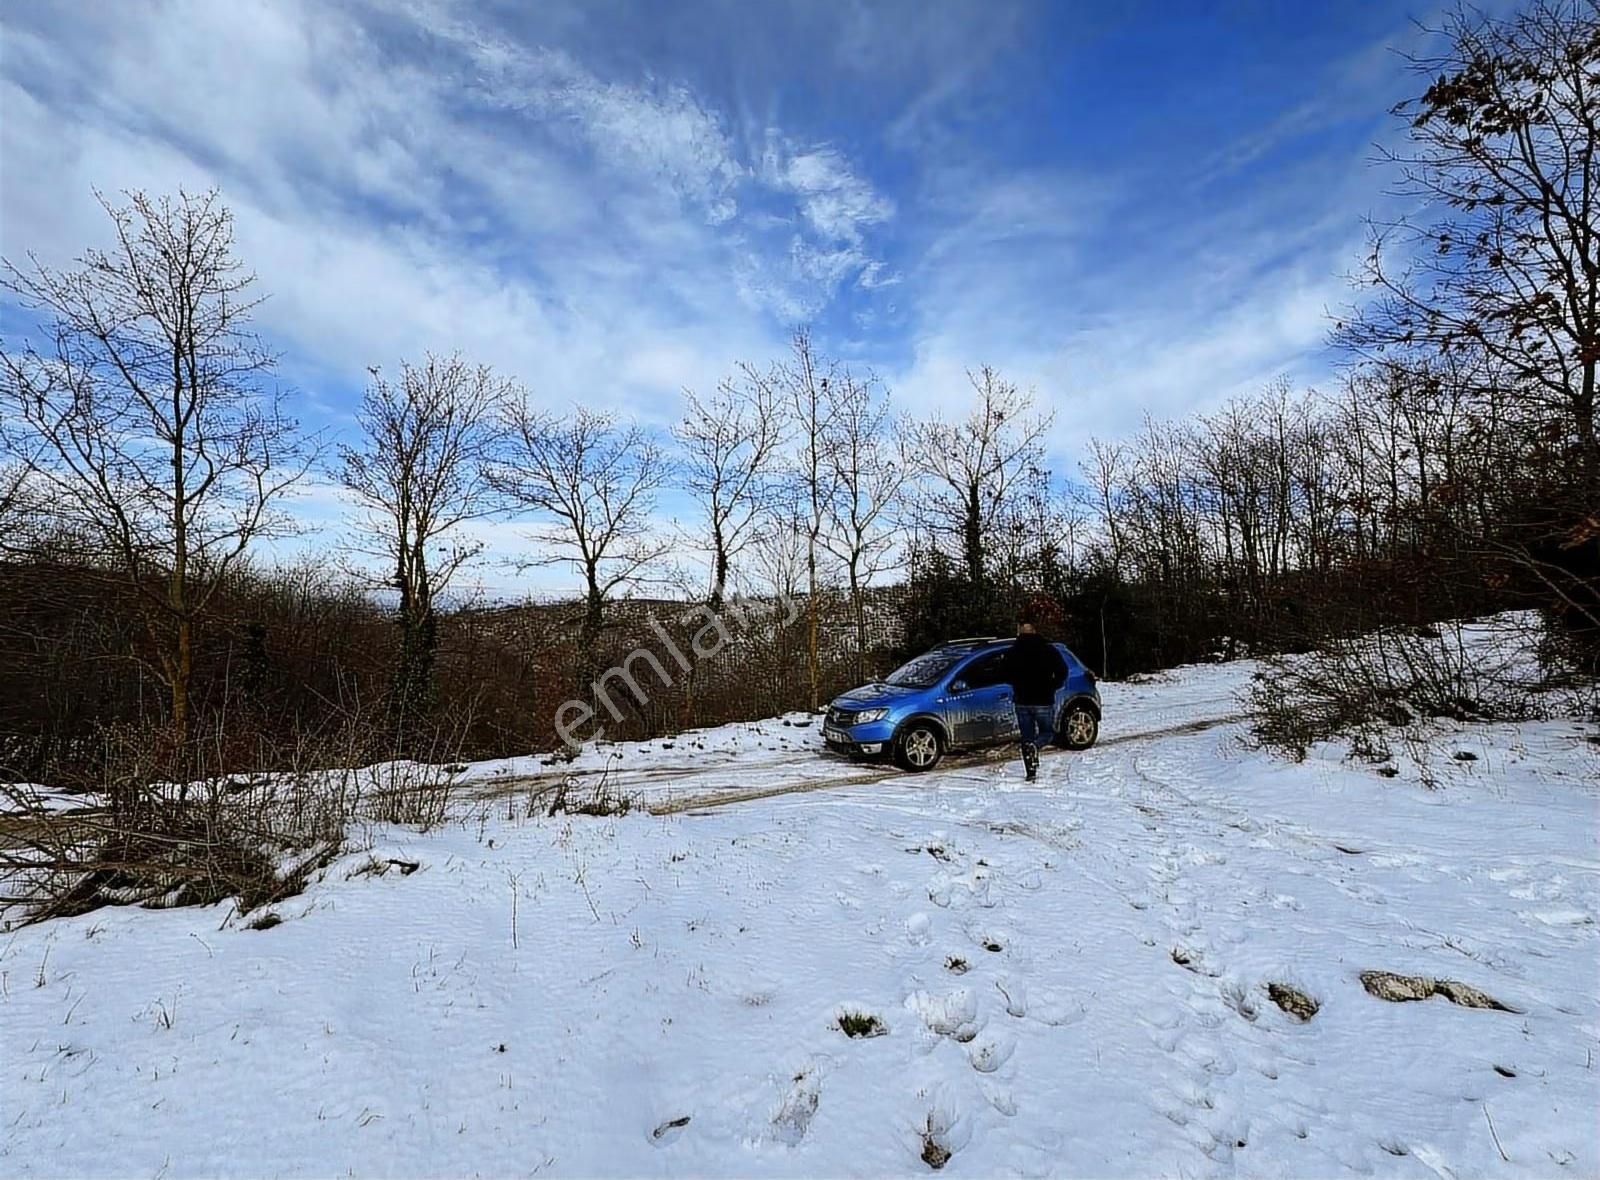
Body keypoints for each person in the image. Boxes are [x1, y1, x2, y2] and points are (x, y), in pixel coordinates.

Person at [999, 618, 1067, 781]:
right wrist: (1052, 685)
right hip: (1044, 699)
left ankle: (1030, 772)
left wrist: (1017, 683)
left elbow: (1003, 674)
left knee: (1026, 736)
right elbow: (1062, 671)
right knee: (1048, 733)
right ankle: (1035, 747)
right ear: (1035, 630)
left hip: (1022, 700)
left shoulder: (1012, 652)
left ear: (1020, 631)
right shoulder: (1048, 650)